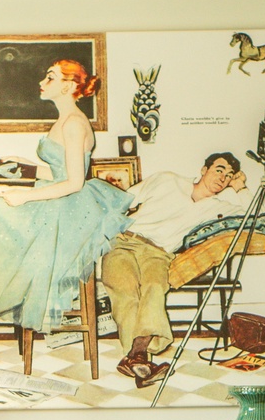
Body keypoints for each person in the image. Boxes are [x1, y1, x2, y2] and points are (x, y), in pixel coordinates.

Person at [0, 60, 132, 335]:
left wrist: (25, 197)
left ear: (68, 86)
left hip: (69, 209)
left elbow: (74, 182)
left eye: (50, 78)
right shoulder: (66, 119)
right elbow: (62, 171)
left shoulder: (73, 123)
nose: (42, 83)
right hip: (61, 200)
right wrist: (25, 163)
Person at [102, 152, 255, 387]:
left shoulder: (218, 207)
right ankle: (138, 358)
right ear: (204, 170)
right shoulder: (168, 180)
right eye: (219, 170)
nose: (223, 178)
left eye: (229, 176)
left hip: (158, 253)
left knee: (154, 287)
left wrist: (240, 186)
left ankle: (135, 357)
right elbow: (122, 200)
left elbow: (253, 213)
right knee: (125, 288)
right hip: (124, 241)